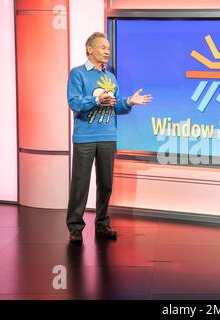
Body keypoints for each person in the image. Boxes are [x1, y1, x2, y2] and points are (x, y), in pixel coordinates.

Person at [66, 32, 152, 244]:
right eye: (103, 48)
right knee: (80, 183)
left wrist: (129, 102)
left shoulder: (111, 77)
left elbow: (116, 107)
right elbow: (74, 102)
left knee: (106, 184)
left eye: (109, 49)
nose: (107, 52)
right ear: (90, 49)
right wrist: (97, 99)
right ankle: (75, 227)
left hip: (107, 136)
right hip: (85, 137)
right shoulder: (77, 74)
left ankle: (102, 224)